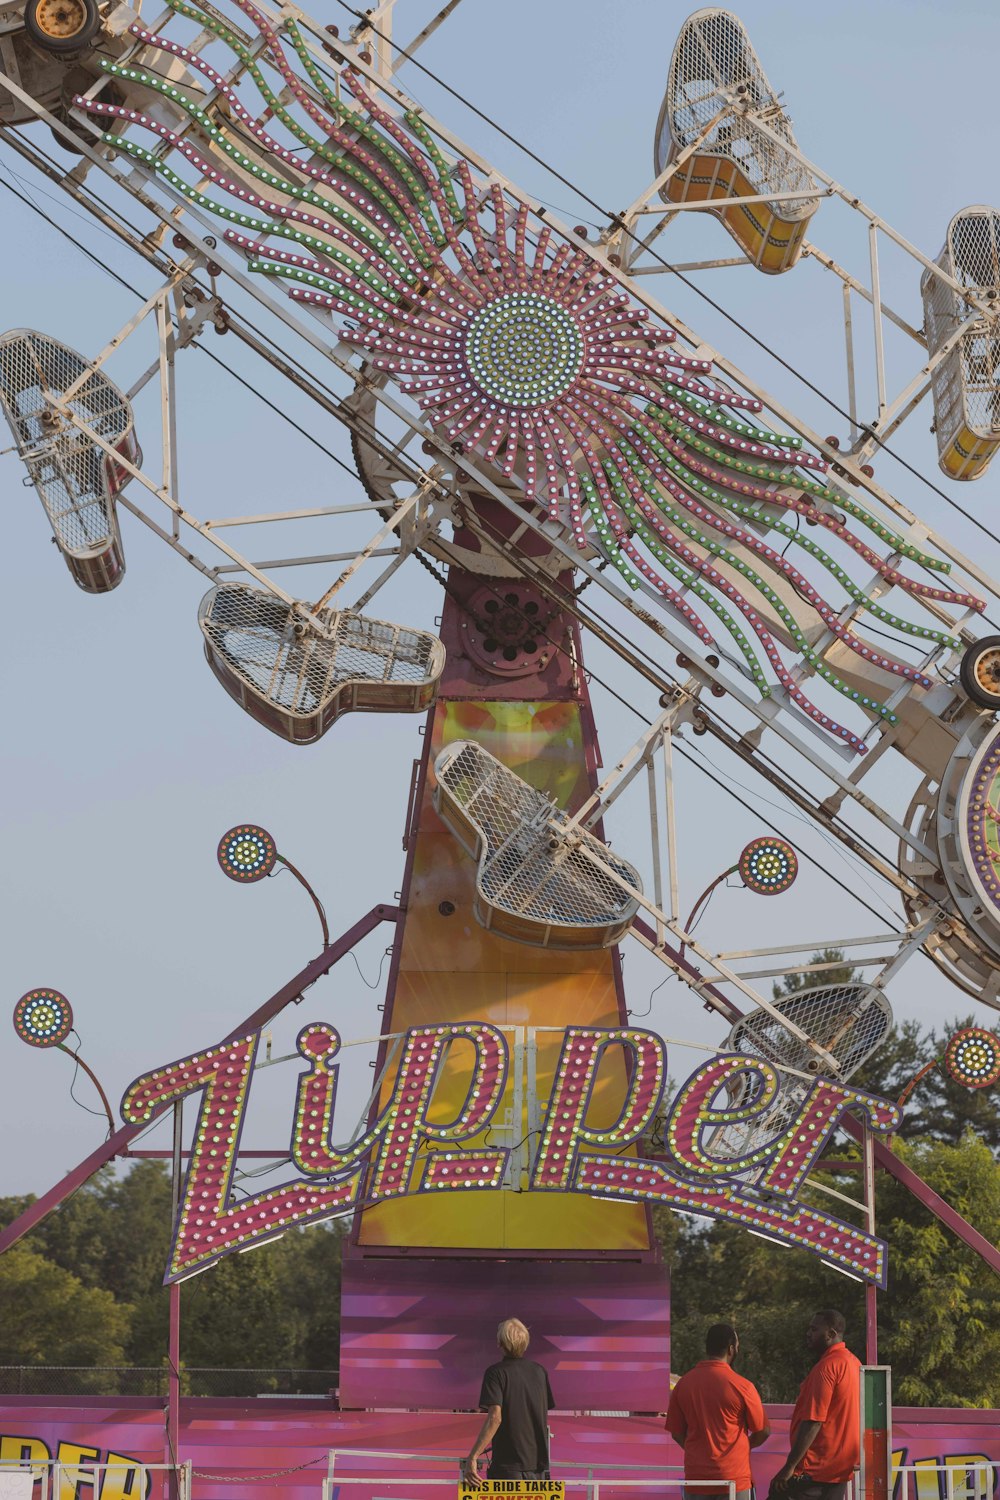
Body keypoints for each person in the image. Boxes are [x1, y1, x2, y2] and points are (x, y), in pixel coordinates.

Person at [665, 1323, 769, 1500]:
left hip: (697, 1478)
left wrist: (696, 1450)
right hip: (734, 1479)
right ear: (731, 1349)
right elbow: (763, 1431)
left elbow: (676, 1432)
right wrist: (744, 1447)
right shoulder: (743, 1386)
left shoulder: (683, 1385)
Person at [769, 1309, 862, 1500]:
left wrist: (790, 1466)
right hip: (839, 1470)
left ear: (831, 1334)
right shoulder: (854, 1363)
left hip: (814, 1469)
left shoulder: (828, 1366)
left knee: (776, 1491)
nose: (808, 1333)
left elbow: (814, 1421)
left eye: (814, 1329)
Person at [463, 1317, 555, 1486]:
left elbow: (495, 1418)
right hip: (538, 1467)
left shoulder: (495, 1373)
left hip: (508, 1467)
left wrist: (473, 1456)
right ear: (525, 1342)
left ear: (500, 1343)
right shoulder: (540, 1372)